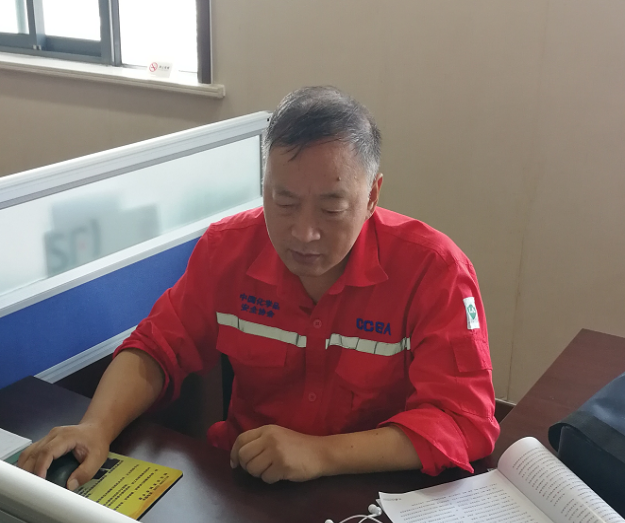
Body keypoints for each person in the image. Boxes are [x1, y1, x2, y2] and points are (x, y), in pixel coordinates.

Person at [19, 86, 499, 489]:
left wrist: (323, 454)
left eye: (331, 209)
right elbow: (157, 346)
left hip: (372, 498)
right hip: (246, 485)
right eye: (283, 201)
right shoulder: (227, 250)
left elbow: (465, 421)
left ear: (372, 196)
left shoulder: (434, 271)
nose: (303, 233)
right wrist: (96, 427)